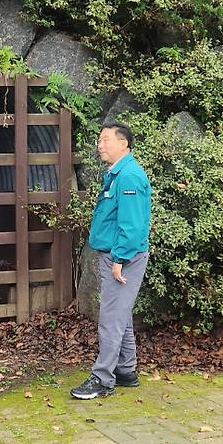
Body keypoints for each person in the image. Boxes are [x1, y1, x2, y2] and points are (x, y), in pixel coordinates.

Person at [71, 122, 151, 400]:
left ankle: (103, 378)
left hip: (122, 257)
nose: (100, 145)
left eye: (105, 140)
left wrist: (119, 258)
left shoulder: (128, 176)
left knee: (110, 318)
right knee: (120, 314)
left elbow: (132, 224)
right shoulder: (118, 173)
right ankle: (125, 371)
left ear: (123, 144)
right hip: (117, 254)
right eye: (99, 140)